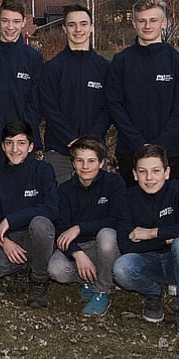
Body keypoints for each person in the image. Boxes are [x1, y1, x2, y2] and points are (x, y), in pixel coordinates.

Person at [112, 144, 179, 340]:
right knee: (121, 268)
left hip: (178, 261)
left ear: (167, 172)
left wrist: (152, 233)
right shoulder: (127, 198)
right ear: (135, 174)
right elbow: (126, 244)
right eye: (142, 172)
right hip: (149, 261)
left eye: (155, 171)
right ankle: (154, 293)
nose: (149, 178)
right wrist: (170, 238)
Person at [106, 0, 179, 186]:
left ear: (164, 22)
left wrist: (159, 146)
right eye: (142, 21)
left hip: (169, 153)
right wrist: (138, 144)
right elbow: (115, 106)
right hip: (130, 151)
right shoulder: (121, 61)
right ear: (134, 23)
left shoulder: (177, 62)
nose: (147, 26)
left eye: (153, 20)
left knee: (169, 203)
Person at [0, 121, 57, 308]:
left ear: (31, 147)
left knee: (41, 224)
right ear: (2, 146)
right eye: (9, 143)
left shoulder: (43, 170)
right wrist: (5, 241)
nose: (15, 149)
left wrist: (11, 220)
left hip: (37, 235)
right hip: (12, 237)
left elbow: (52, 208)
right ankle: (21, 269)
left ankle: (39, 279)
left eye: (21, 143)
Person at [47, 136, 124, 317]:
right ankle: (88, 279)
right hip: (81, 246)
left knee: (107, 235)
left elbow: (117, 220)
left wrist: (79, 228)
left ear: (101, 163)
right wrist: (77, 253)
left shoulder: (114, 183)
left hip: (107, 248)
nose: (85, 166)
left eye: (91, 161)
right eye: (80, 161)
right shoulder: (64, 190)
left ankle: (102, 290)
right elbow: (62, 229)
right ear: (73, 163)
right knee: (56, 270)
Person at [39, 3, 110, 184]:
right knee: (58, 200)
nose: (78, 29)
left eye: (83, 24)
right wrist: (70, 139)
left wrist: (90, 140)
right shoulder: (52, 68)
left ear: (91, 27)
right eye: (72, 24)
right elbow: (49, 108)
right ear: (64, 28)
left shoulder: (105, 68)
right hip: (59, 152)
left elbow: (109, 107)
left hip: (95, 152)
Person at [0, 0, 42, 174]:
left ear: (23, 22)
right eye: (5, 21)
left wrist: (20, 135)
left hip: (24, 142)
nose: (10, 27)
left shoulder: (34, 58)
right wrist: (1, 133)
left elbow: (37, 101)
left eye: (16, 21)